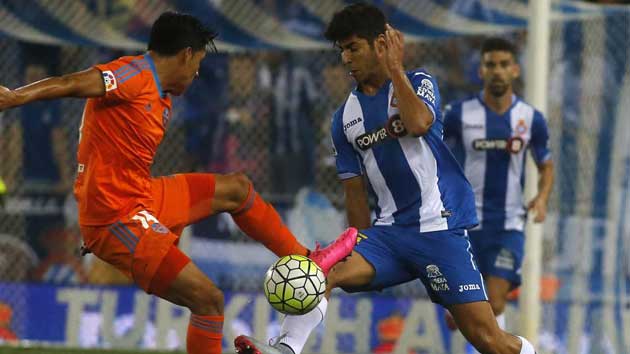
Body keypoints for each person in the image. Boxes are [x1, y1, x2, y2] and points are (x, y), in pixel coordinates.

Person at [0, 12, 357, 354]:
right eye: (198, 62)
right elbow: (73, 82)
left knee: (236, 189)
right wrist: (16, 97)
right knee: (208, 301)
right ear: (186, 55)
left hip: (142, 196)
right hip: (115, 217)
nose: (198, 72)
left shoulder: (161, 94)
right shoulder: (134, 73)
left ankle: (308, 261)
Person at [234, 3, 537, 354]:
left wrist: (395, 68)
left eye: (353, 48)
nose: (346, 59)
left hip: (439, 230)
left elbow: (420, 123)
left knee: (489, 341)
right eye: (341, 51)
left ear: (381, 44)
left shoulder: (419, 83)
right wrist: (355, 243)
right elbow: (354, 191)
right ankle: (284, 349)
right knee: (322, 272)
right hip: (389, 235)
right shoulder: (344, 118)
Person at [442, 37, 554, 333]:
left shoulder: (531, 118)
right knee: (466, 313)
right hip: (465, 223)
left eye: (504, 65)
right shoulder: (458, 114)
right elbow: (433, 154)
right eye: (491, 64)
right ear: (481, 71)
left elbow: (546, 165)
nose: (497, 71)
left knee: (495, 302)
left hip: (508, 224)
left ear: (515, 70)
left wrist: (542, 198)